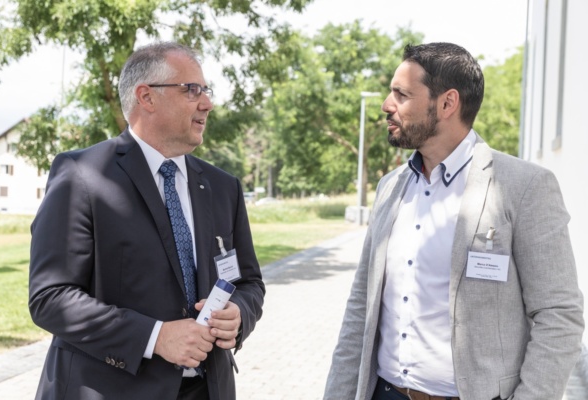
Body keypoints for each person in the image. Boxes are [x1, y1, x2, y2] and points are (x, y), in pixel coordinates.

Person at [324, 42, 584, 400]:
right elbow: (360, 308)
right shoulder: (390, 188)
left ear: (447, 103)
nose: (387, 105)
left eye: (401, 95)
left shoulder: (524, 187)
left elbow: (559, 316)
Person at [29, 42, 265, 400]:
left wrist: (239, 315)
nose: (207, 104)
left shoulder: (223, 187)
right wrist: (155, 337)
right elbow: (50, 296)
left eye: (206, 90)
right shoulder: (82, 175)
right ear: (146, 97)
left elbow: (248, 282)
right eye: (192, 90)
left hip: (209, 389)